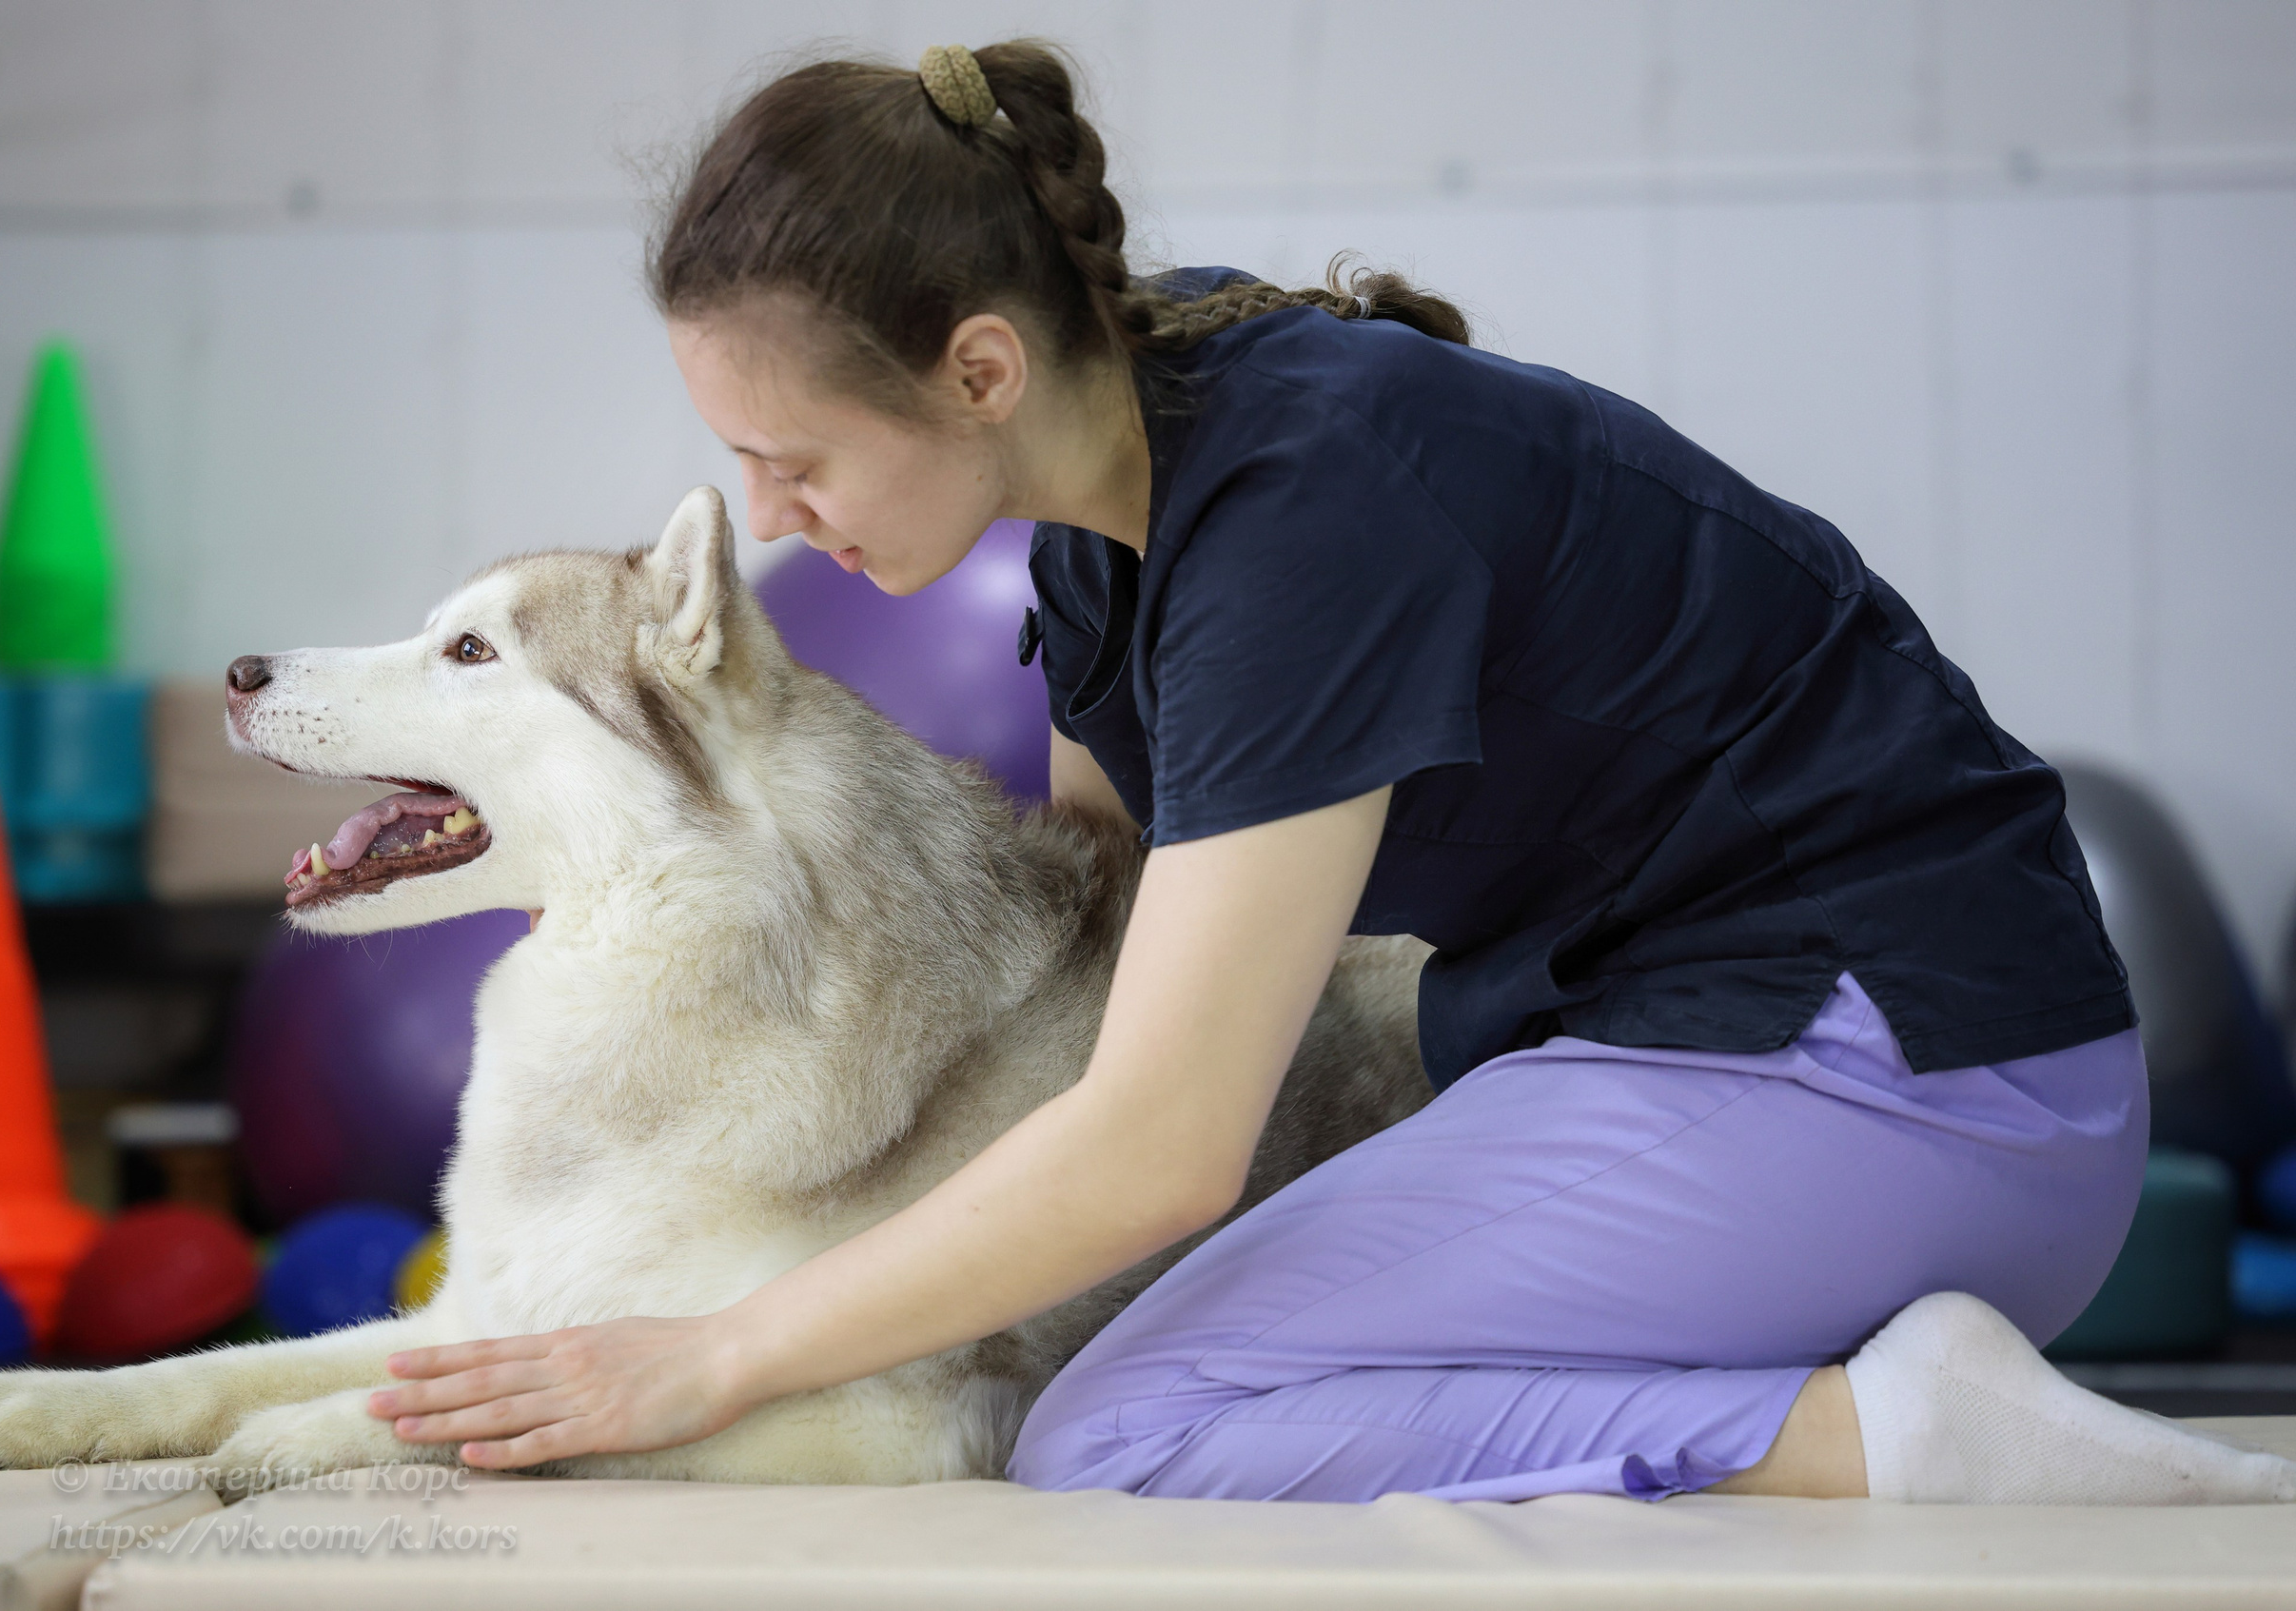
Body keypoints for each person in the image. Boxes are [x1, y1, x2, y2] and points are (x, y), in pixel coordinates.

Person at [363, 41, 2294, 1506]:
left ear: (972, 370)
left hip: (1919, 1075)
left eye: (794, 461)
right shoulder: (1105, 501)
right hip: (1720, 1047)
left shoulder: (1296, 520)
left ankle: (1893, 1435)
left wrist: (707, 1358)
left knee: (1126, 1424)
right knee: (1120, 1349)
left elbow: (1154, 1139)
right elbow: (1086, 937)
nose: (770, 524)